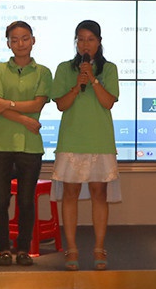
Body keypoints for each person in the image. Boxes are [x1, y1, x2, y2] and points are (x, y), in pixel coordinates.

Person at [50, 20, 119, 271]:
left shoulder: (108, 69)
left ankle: (99, 247)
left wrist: (93, 79)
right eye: (80, 39)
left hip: (99, 140)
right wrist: (77, 84)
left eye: (90, 39)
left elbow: (108, 102)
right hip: (72, 139)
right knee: (70, 194)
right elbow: (61, 105)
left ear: (99, 42)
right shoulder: (64, 68)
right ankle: (72, 248)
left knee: (99, 194)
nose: (85, 44)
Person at [0, 21, 52, 267]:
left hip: (30, 145)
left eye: (25, 38)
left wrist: (9, 104)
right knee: (1, 200)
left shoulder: (43, 72)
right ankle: (3, 249)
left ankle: (23, 249)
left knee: (26, 200)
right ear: (8, 43)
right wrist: (25, 119)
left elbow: (37, 104)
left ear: (33, 40)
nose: (20, 44)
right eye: (14, 39)